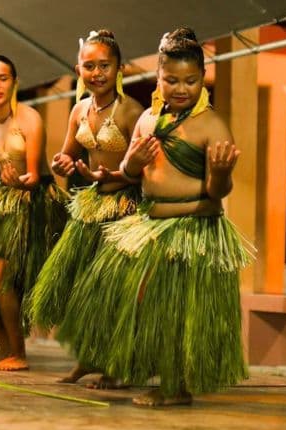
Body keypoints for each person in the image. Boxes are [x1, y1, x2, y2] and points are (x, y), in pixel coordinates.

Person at [59, 27, 252, 406]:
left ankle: (174, 387)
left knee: (172, 308)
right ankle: (123, 366)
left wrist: (223, 172)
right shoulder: (148, 118)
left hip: (192, 226)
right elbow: (131, 174)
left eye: (191, 81)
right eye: (171, 80)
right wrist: (135, 160)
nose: (181, 88)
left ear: (203, 79)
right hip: (148, 225)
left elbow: (217, 193)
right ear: (158, 78)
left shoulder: (211, 125)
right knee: (126, 297)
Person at [26, 29, 143, 385]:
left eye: (104, 65)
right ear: (78, 69)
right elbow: (67, 153)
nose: (97, 73)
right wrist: (62, 163)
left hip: (125, 206)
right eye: (89, 66)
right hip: (92, 205)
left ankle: (116, 363)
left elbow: (143, 170)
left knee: (109, 290)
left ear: (119, 68)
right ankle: (87, 358)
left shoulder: (131, 111)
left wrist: (114, 175)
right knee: (80, 287)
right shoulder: (79, 109)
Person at [0, 55, 67, 371]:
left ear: (15, 82)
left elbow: (34, 175)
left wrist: (19, 181)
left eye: (2, 78)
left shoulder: (29, 118)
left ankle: (19, 352)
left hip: (32, 204)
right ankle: (4, 347)